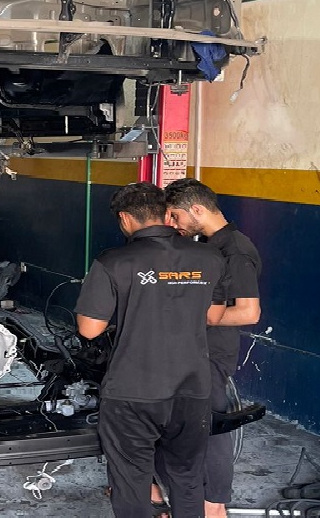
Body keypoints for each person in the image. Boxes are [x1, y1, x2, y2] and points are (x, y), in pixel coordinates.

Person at [75, 182, 227, 518]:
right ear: (167, 214)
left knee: (132, 481)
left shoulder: (113, 262)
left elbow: (89, 329)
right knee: (187, 478)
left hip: (133, 390)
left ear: (125, 218)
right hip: (192, 387)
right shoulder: (209, 257)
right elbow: (213, 316)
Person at [159, 177, 263, 518]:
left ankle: (215, 506)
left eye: (176, 216)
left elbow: (248, 312)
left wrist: (192, 319)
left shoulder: (235, 251)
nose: (173, 224)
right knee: (182, 424)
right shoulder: (209, 245)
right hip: (191, 350)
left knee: (212, 428)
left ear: (197, 210)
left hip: (211, 354)